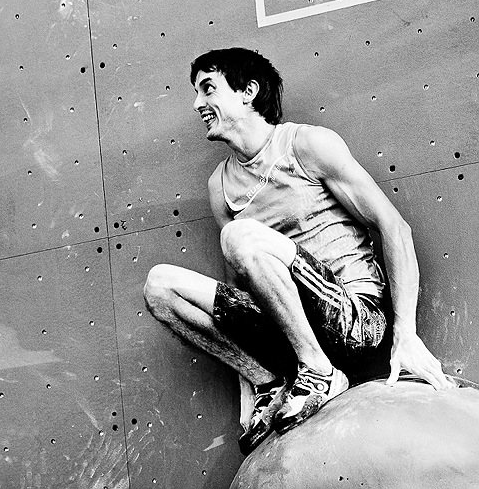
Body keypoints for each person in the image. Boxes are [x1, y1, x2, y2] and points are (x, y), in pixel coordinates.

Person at [142, 47, 456, 455]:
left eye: (208, 88)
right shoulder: (220, 186)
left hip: (354, 318)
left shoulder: (306, 144)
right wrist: (246, 380)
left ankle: (321, 372)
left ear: (247, 91)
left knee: (239, 236)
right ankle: (268, 383)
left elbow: (394, 227)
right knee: (160, 287)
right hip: (286, 332)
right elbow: (241, 288)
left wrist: (406, 335)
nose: (198, 103)